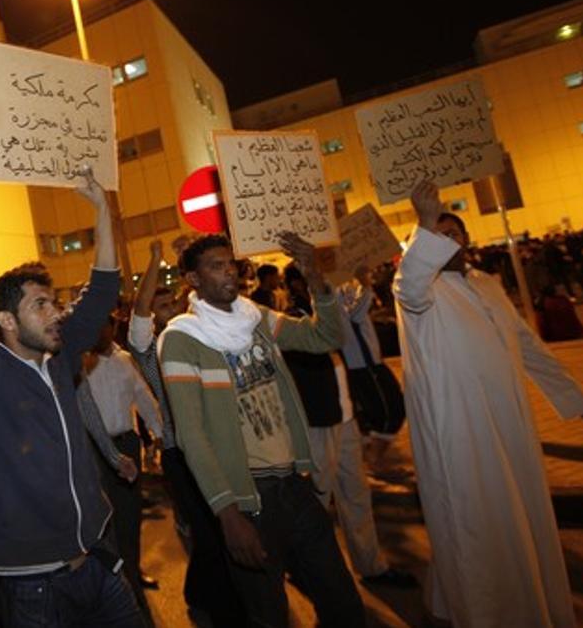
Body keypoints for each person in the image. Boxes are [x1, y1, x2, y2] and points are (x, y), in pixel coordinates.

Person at [0, 129, 143, 626]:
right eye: (40, 305)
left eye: (54, 301)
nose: (55, 313)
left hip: (101, 562)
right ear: (5, 321)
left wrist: (101, 209)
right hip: (35, 586)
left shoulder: (60, 359)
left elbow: (105, 288)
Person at [394, 179, 583, 628]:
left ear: (469, 240)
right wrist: (423, 221)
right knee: (471, 518)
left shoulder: (486, 283)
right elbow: (410, 284)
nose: (449, 239)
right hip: (461, 428)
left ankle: (524, 605)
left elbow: (528, 346)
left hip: (509, 422)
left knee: (521, 515)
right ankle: (477, 612)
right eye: (440, 233)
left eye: (455, 232)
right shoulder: (420, 291)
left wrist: (582, 402)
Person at [159, 233, 364, 628]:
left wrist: (314, 276)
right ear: (193, 280)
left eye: (230, 264)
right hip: (249, 498)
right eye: (215, 266)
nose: (228, 273)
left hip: (295, 485)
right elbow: (192, 435)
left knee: (343, 604)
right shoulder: (181, 340)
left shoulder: (255, 318)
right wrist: (228, 514)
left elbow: (326, 337)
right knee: (268, 615)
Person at [126, 240, 239, 625]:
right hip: (182, 452)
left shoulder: (195, 334)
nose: (171, 309)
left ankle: (204, 594)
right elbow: (138, 315)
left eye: (173, 303)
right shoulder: (150, 349)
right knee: (210, 532)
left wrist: (187, 258)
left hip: (222, 443)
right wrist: (155, 261)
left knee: (227, 527)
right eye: (162, 307)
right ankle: (217, 608)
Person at [279, 266, 414, 589]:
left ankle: (371, 566)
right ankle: (302, 568)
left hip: (346, 417)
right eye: (314, 276)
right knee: (316, 502)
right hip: (318, 424)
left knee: (356, 496)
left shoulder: (327, 312)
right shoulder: (292, 319)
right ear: (299, 284)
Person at [84, 315, 165, 602]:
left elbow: (143, 397)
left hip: (127, 445)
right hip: (96, 449)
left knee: (130, 515)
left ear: (112, 327)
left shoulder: (126, 360)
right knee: (107, 519)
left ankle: (133, 570)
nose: (98, 332)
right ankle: (115, 581)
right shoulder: (80, 365)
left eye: (102, 326)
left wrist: (160, 433)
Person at [337, 264, 405, 472]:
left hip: (368, 360)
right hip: (362, 362)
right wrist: (365, 284)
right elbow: (355, 315)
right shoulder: (332, 289)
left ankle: (371, 457)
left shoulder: (342, 284)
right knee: (390, 409)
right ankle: (373, 459)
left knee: (376, 412)